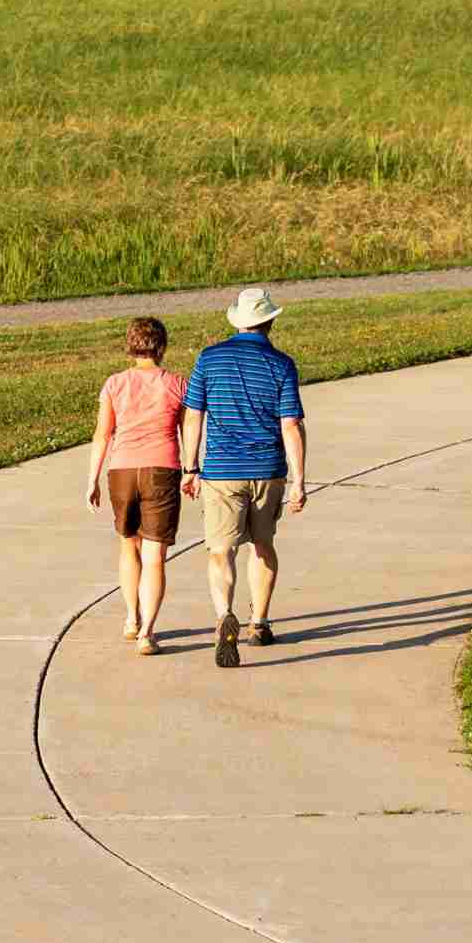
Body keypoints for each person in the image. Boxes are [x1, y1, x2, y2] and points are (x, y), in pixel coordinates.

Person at [180, 286, 308, 669]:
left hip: (221, 471)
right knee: (262, 546)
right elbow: (291, 426)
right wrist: (299, 480)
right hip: (268, 471)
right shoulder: (282, 364)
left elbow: (193, 416)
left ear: (237, 321)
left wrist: (190, 467)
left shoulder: (209, 359)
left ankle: (224, 615)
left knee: (221, 550)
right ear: (269, 321)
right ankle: (260, 622)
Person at [85, 316, 186, 656]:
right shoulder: (177, 384)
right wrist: (192, 469)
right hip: (163, 468)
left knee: (129, 546)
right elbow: (188, 432)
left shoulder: (114, 384)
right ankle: (147, 632)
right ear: (162, 345)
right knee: (155, 555)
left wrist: (93, 478)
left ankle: (130, 617)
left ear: (129, 346)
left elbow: (103, 434)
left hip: (122, 470)